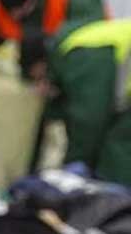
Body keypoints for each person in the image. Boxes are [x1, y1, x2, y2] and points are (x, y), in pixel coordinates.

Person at [29, 19, 131, 186]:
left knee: (116, 155)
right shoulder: (69, 44)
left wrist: (70, 173)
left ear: (41, 65)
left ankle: (116, 207)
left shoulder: (81, 58)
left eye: (37, 80)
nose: (40, 89)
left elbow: (89, 122)